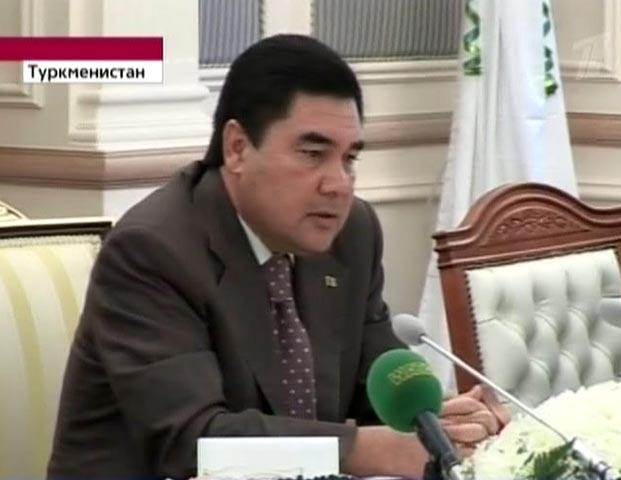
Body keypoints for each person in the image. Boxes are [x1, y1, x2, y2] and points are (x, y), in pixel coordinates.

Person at [48, 34, 507, 480]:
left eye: (349, 159)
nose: (339, 184)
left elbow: (379, 393)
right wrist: (366, 450)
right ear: (237, 148)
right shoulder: (153, 251)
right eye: (313, 154)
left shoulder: (352, 235)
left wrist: (442, 425)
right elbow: (191, 442)